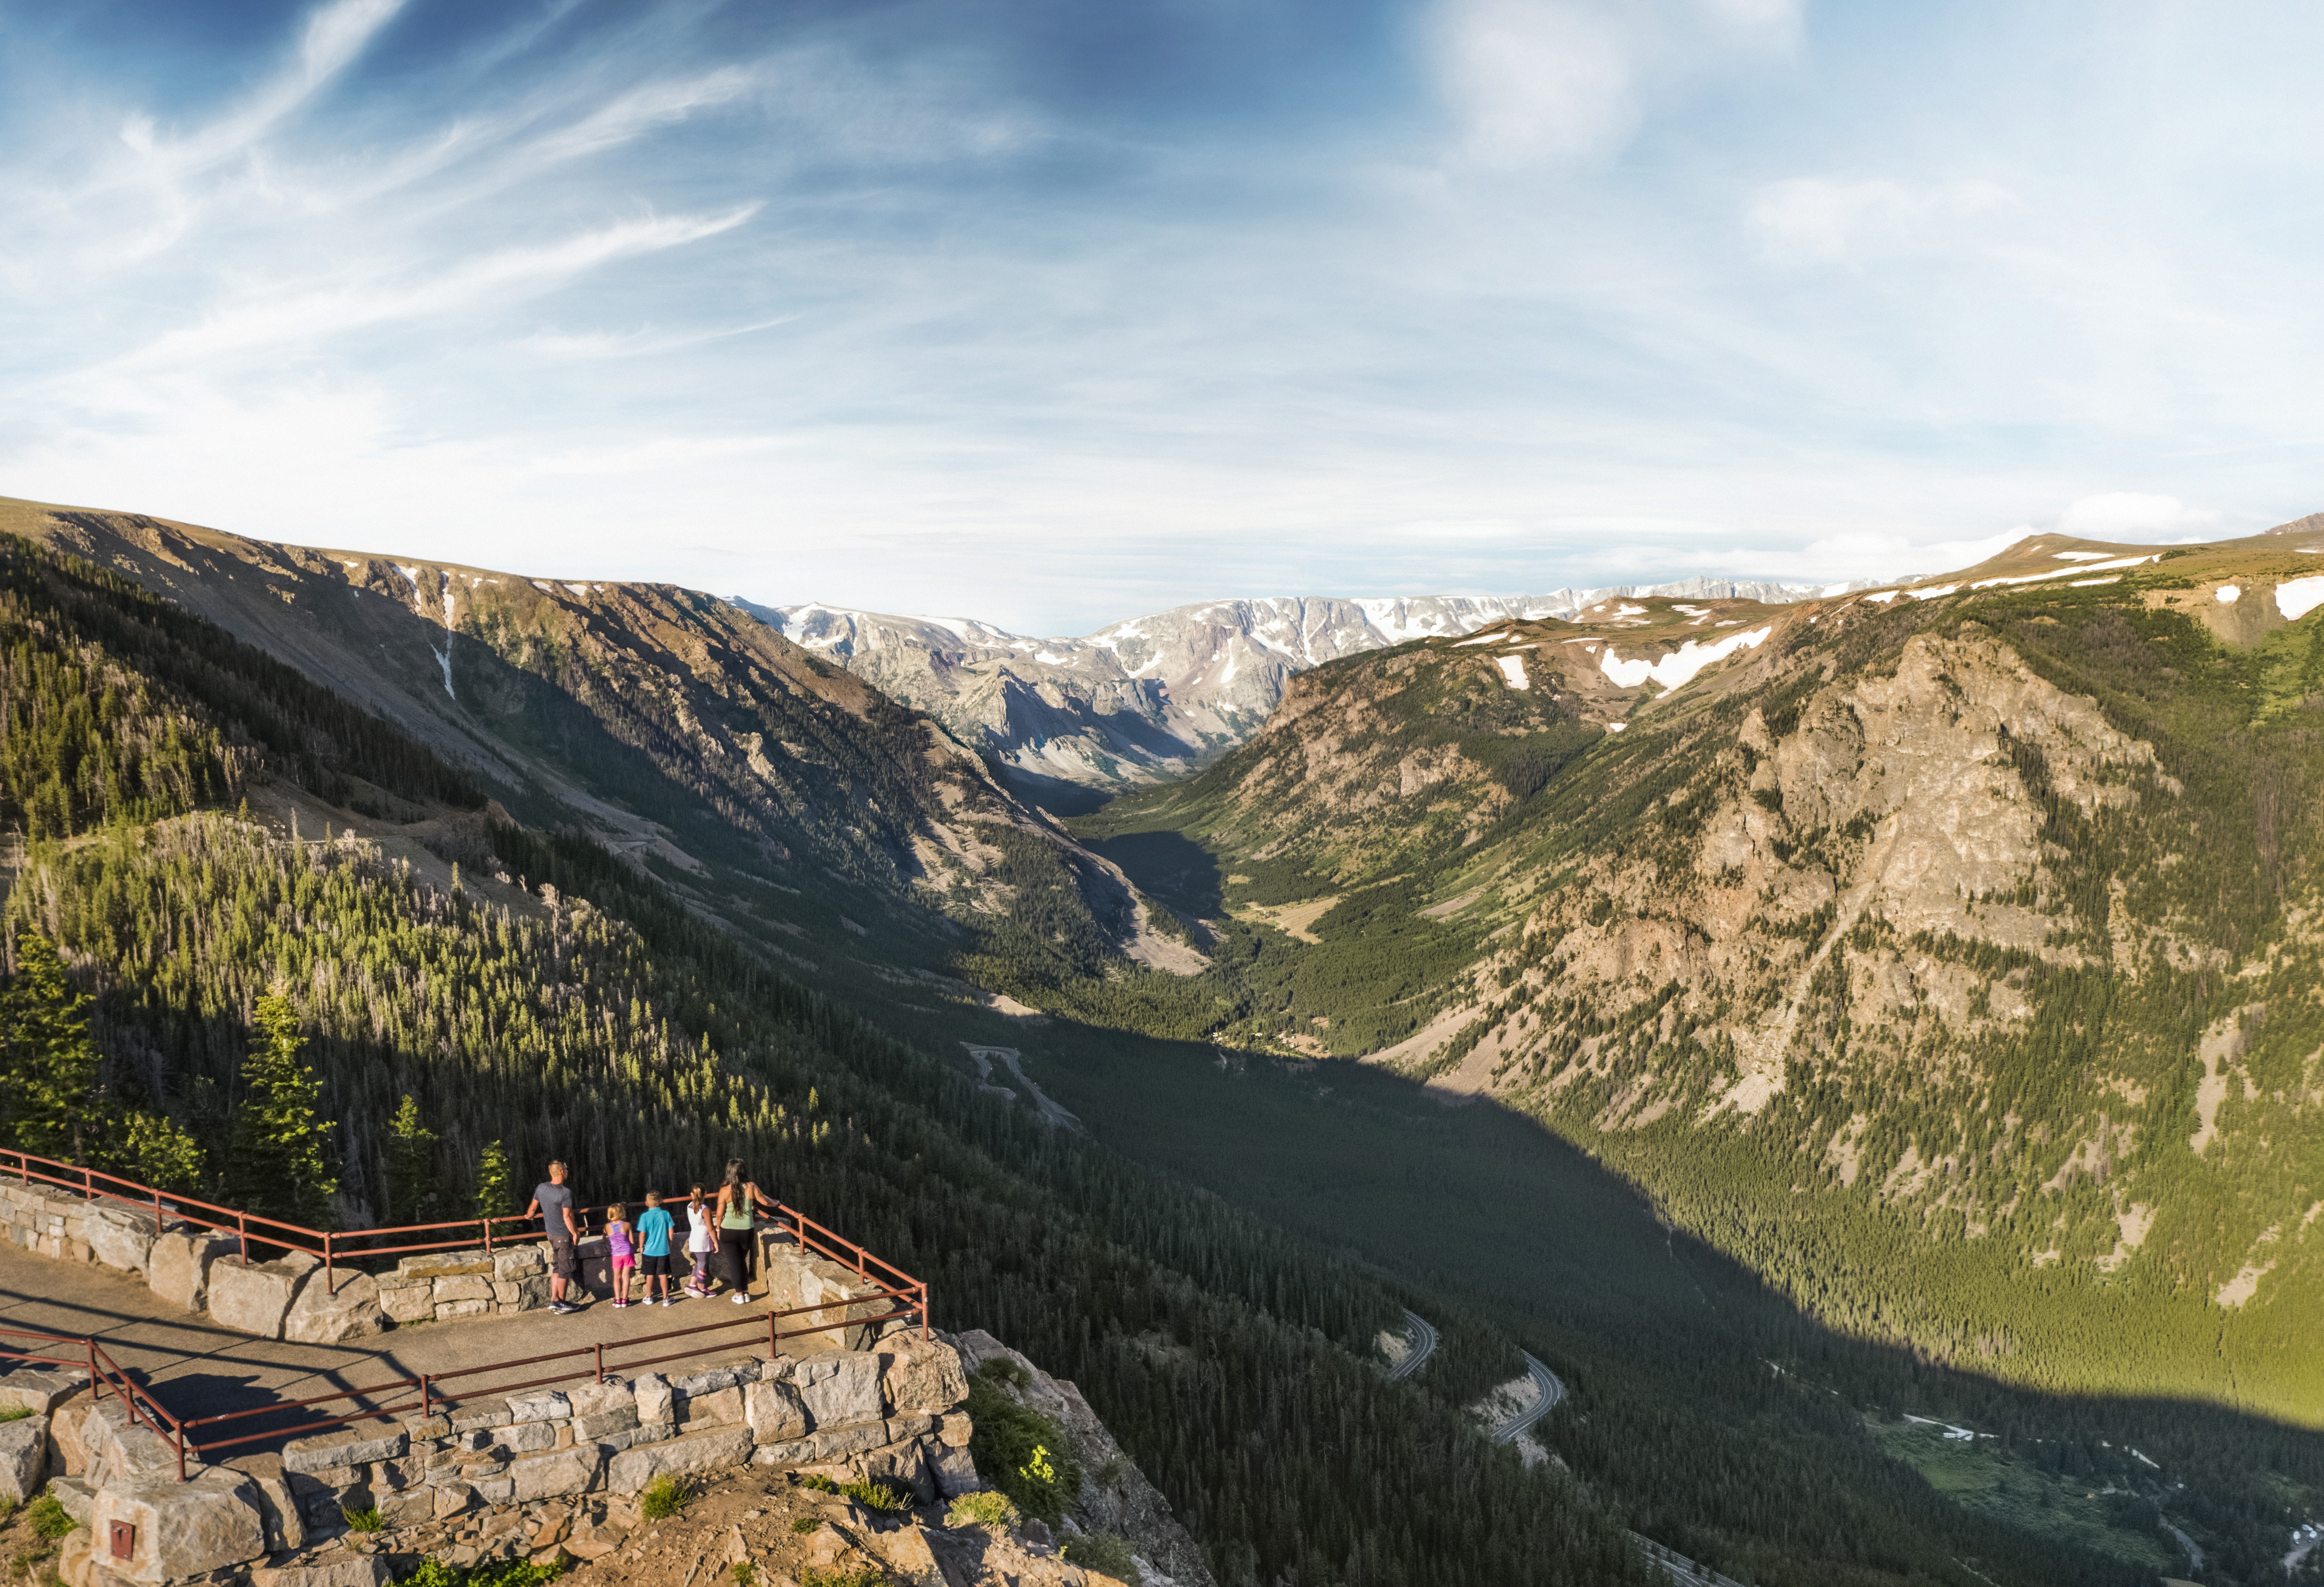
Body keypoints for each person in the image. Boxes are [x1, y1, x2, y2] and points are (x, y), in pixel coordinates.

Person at [523, 1161, 586, 1315]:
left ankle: (554, 1300)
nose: (568, 1171)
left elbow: (533, 1208)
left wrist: (529, 1216)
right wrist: (575, 1233)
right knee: (565, 1269)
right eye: (566, 1169)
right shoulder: (565, 1192)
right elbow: (567, 1216)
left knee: (557, 1267)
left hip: (551, 1235)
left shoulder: (541, 1188)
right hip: (563, 1235)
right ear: (562, 1172)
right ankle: (561, 1303)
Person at [715, 1159, 779, 1304]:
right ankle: (745, 1293)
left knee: (734, 1263)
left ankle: (740, 1295)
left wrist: (718, 1229)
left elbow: (719, 1214)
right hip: (746, 1231)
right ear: (743, 1171)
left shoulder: (725, 1191)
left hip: (728, 1231)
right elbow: (764, 1201)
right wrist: (775, 1203)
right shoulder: (751, 1187)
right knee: (741, 1261)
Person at [635, 1190, 677, 1307]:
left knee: (650, 1274)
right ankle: (666, 1298)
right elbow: (671, 1230)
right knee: (663, 1274)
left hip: (649, 1251)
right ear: (660, 1201)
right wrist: (670, 1243)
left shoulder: (644, 1216)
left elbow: (642, 1234)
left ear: (646, 1203)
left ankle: (649, 1297)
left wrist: (641, 1246)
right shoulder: (666, 1214)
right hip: (663, 1250)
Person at [684, 1185, 717, 1297]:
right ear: (705, 1194)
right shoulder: (705, 1210)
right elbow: (711, 1228)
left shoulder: (689, 1206)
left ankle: (692, 1284)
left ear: (692, 1195)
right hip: (703, 1240)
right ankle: (702, 1287)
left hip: (693, 1237)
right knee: (703, 1264)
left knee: (700, 1262)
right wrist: (715, 1242)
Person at [606, 1203, 637, 1308]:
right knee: (626, 1276)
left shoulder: (607, 1226)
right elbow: (632, 1241)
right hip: (627, 1253)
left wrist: (604, 1240)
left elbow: (605, 1237)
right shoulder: (627, 1225)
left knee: (617, 1277)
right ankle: (625, 1299)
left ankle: (618, 1300)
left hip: (616, 1255)